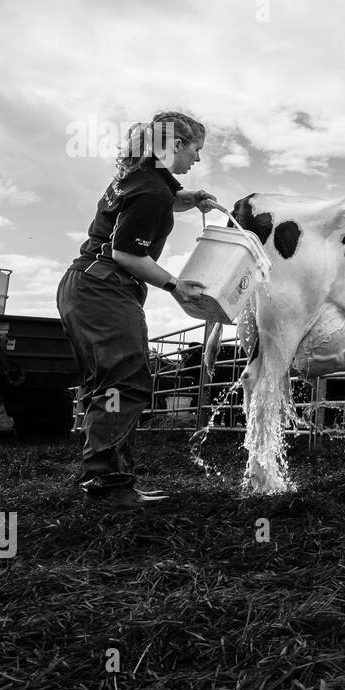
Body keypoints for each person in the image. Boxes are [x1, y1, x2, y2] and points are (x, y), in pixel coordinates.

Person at [56, 112, 224, 507]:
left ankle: (101, 480)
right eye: (197, 149)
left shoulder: (140, 178)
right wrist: (175, 285)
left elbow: (159, 202)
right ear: (177, 145)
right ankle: (109, 487)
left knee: (105, 384)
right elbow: (128, 253)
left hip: (82, 284)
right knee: (126, 381)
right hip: (106, 285)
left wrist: (190, 199)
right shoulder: (151, 190)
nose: (197, 159)